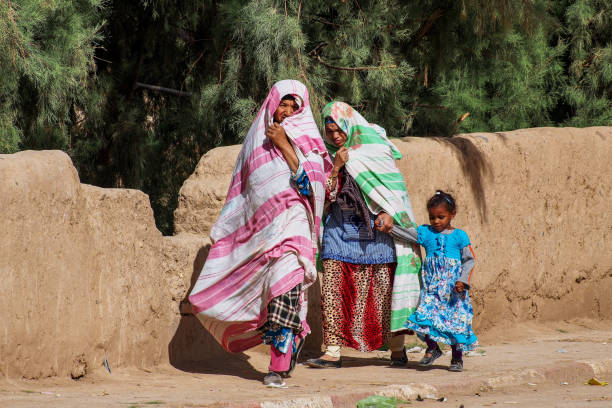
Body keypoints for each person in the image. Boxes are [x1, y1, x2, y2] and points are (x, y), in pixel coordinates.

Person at [188, 80, 332, 387]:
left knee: (284, 292)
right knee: (271, 300)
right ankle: (295, 338)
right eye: (284, 104)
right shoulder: (254, 146)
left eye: (296, 106)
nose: (288, 111)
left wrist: (284, 145)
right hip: (260, 239)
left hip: (294, 234)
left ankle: (276, 367)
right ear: (272, 104)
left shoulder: (310, 145)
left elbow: (313, 189)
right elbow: (245, 198)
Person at [305, 101, 422, 369]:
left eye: (338, 130)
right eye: (330, 131)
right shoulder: (325, 155)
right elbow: (325, 195)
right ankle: (332, 352)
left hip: (378, 234)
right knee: (334, 289)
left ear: (349, 125)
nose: (335, 136)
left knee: (384, 292)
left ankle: (397, 349)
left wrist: (391, 215)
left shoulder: (376, 149)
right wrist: (335, 167)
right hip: (339, 231)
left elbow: (394, 192)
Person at [390, 190, 478, 372]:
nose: (436, 221)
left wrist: (463, 281)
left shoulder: (459, 236)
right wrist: (389, 228)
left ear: (452, 215)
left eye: (441, 217)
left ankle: (457, 357)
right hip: (431, 289)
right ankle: (432, 348)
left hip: (453, 291)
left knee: (454, 324)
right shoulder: (426, 233)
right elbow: (409, 235)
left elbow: (469, 260)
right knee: (424, 317)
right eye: (432, 217)